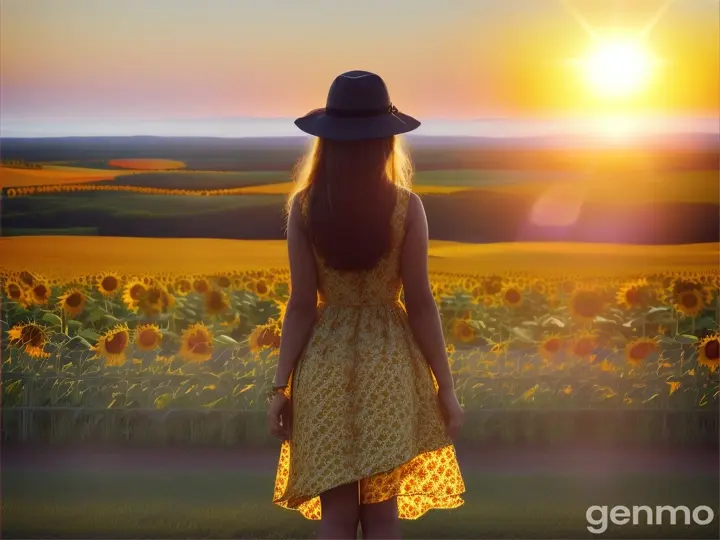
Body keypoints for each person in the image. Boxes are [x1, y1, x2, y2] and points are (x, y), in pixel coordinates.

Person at [268, 70, 465, 540]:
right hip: (389, 365)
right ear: (385, 141)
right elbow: (420, 303)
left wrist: (280, 388)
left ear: (327, 141)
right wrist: (446, 387)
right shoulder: (407, 207)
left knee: (336, 516)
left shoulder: (305, 208)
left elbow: (300, 306)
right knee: (382, 516)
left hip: (324, 368)